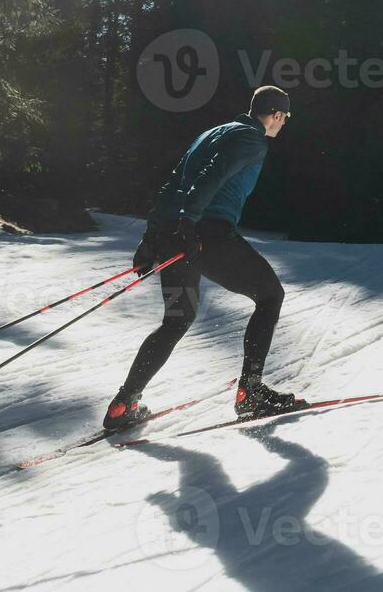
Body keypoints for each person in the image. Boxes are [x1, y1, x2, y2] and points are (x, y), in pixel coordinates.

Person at [103, 85, 304, 430]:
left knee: (177, 320)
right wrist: (188, 224)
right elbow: (212, 177)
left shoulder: (211, 134)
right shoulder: (252, 139)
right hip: (205, 235)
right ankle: (251, 393)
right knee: (270, 296)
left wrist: (153, 238)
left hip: (178, 237)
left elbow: (172, 184)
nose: (282, 125)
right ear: (275, 115)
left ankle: (124, 403)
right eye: (283, 117)